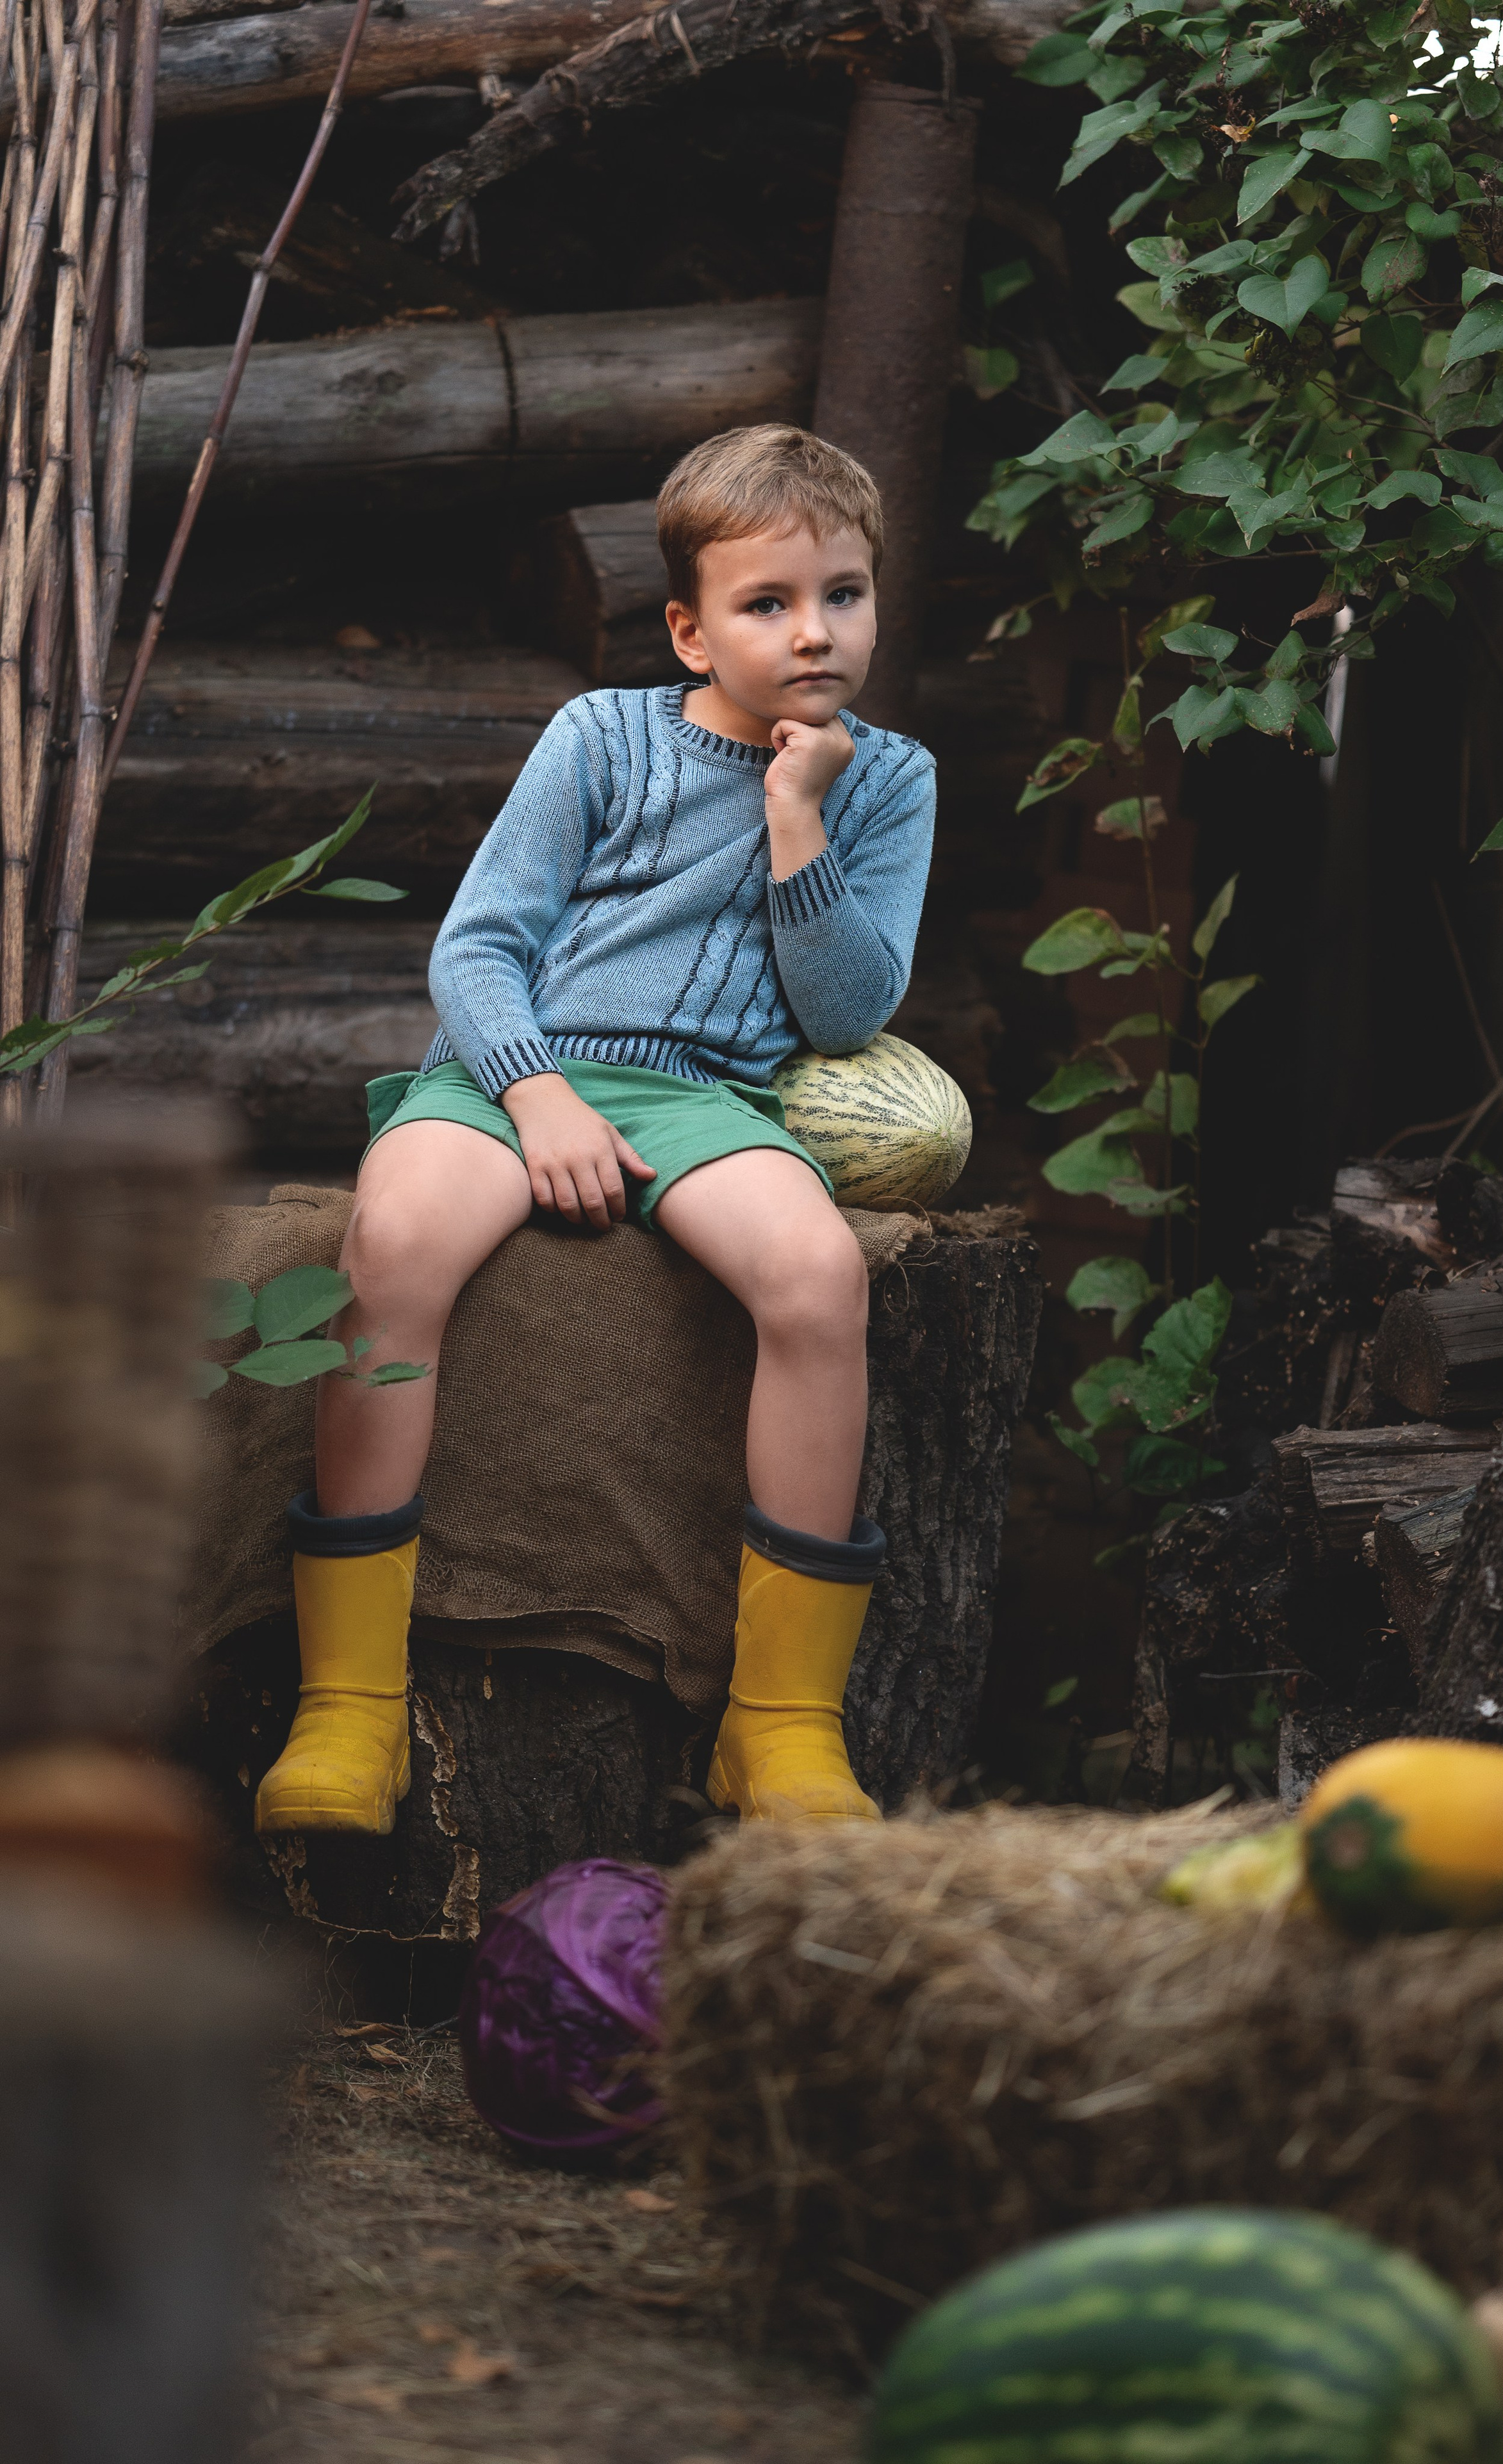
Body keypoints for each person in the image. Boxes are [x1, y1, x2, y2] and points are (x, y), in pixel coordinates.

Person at [254, 424, 937, 1839]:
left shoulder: (889, 781)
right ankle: (353, 1707)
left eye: (843, 594)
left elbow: (847, 1007)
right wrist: (534, 1091)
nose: (813, 632)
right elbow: (477, 949)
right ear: (690, 630)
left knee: (817, 1278)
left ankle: (780, 1726)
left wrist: (798, 825)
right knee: (391, 1247)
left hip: (708, 1100)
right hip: (511, 1072)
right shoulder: (599, 738)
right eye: (767, 603)